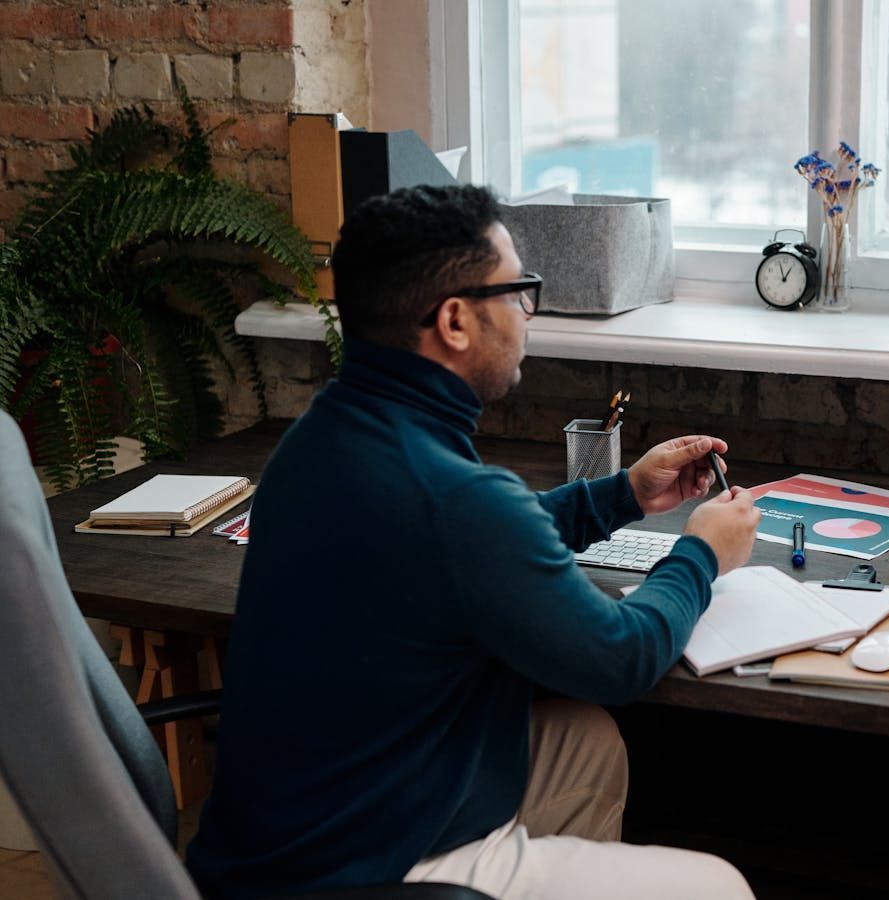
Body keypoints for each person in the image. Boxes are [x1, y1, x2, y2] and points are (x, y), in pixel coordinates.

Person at [186, 185, 761, 900]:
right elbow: (622, 658)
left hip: (285, 837)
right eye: (519, 292)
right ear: (455, 320)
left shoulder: (320, 440)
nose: (527, 314)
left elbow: (458, 549)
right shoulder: (454, 498)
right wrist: (703, 552)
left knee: (585, 743)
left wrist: (624, 495)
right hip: (371, 867)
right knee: (720, 886)